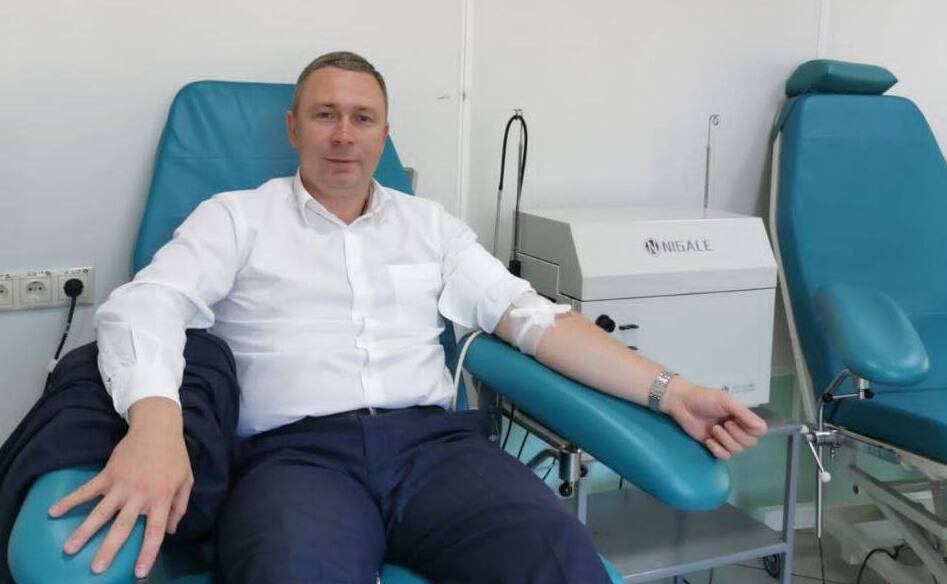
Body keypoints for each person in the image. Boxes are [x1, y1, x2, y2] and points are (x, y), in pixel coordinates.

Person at [48, 51, 767, 583]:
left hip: (436, 453)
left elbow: (535, 321)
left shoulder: (429, 226)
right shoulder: (237, 219)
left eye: (362, 118)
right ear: (293, 127)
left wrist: (673, 391)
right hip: (295, 460)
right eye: (325, 115)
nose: (344, 134)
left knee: (559, 558)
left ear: (383, 133)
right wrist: (154, 424)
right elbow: (147, 303)